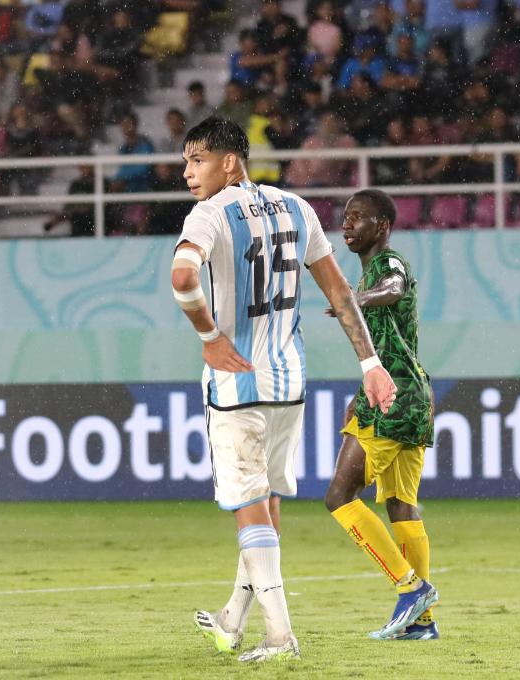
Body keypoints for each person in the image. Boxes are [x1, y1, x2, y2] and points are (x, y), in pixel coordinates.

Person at [174, 118, 397, 662]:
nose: (187, 174)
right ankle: (232, 619)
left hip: (236, 383)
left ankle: (280, 636)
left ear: (231, 162)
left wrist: (209, 337)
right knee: (268, 506)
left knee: (249, 508)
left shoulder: (209, 214)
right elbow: (339, 289)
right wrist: (369, 361)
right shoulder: (297, 207)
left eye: (197, 161)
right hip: (289, 380)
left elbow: (182, 278)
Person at [323, 189, 439, 641]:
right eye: (345, 216)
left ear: (383, 226)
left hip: (392, 401)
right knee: (400, 504)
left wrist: (356, 300)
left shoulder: (387, 264)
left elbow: (392, 289)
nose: (347, 224)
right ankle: (422, 624)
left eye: (359, 217)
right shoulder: (372, 269)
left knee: (339, 496)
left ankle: (410, 589)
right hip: (412, 395)